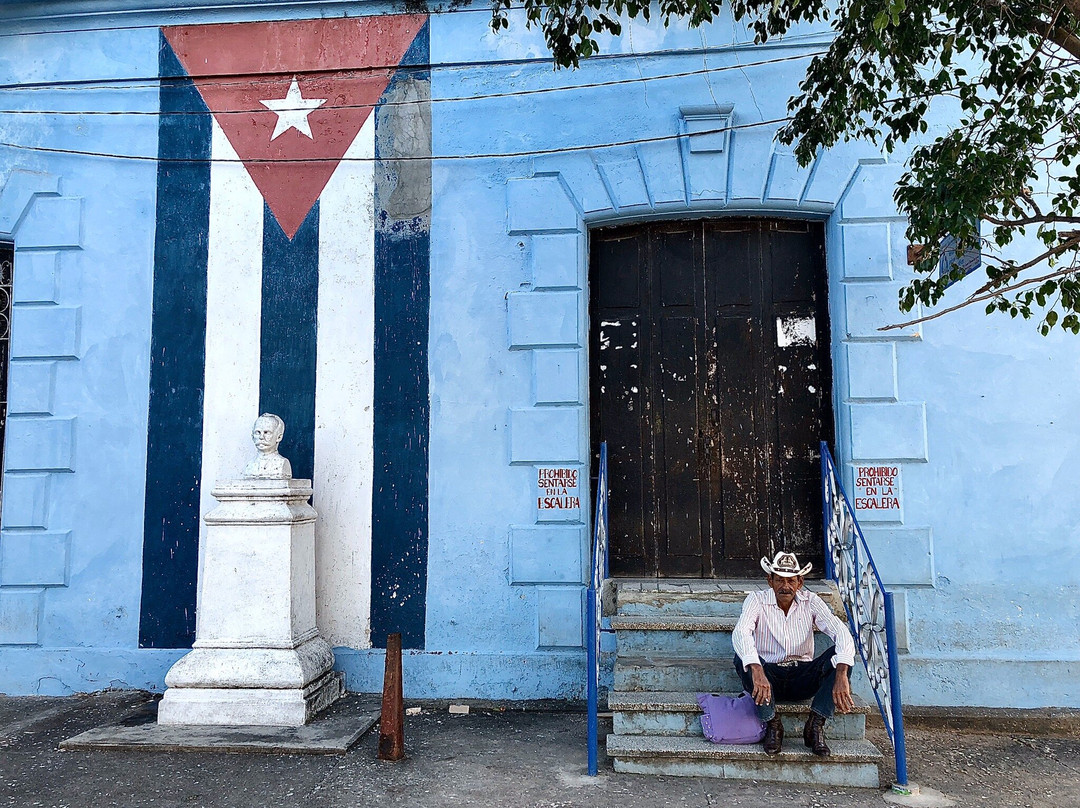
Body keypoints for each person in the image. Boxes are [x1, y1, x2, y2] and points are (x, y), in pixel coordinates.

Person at [731, 551, 857, 757]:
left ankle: (815, 725)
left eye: (791, 580)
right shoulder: (756, 599)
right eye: (779, 579)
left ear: (800, 582)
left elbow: (840, 631)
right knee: (742, 656)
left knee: (842, 654)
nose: (785, 586)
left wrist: (842, 673)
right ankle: (772, 724)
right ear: (769, 580)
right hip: (768, 679)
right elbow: (741, 632)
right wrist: (756, 668)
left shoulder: (811, 601)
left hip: (803, 677)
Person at [241, 413, 293, 479]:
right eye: (258, 432)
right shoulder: (249, 465)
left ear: (279, 437)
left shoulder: (282, 463)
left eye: (266, 432)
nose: (261, 437)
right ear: (252, 436)